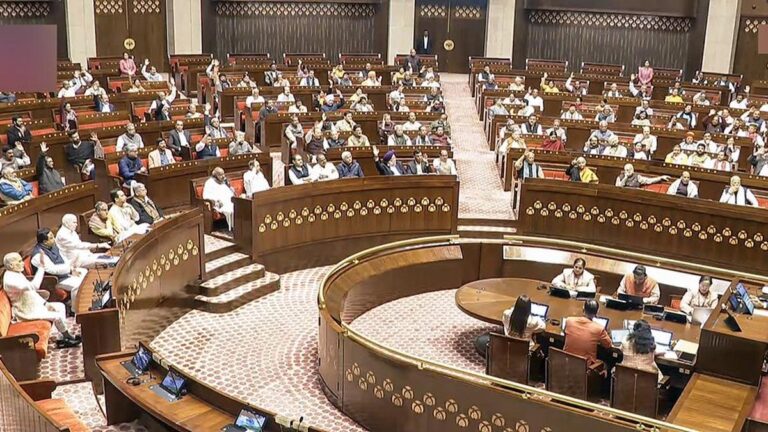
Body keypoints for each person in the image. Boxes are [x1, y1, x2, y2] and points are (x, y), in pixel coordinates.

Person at [2, 252, 81, 348]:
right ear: (11, 265)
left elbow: (31, 293)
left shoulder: (15, 273)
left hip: (33, 305)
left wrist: (45, 303)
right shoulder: (10, 279)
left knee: (60, 306)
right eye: (19, 261)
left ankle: (62, 336)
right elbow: (33, 287)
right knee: (57, 316)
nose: (22, 263)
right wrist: (41, 267)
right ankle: (67, 337)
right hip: (25, 311)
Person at [31, 228, 87, 306]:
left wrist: (71, 268)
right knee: (79, 285)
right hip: (54, 280)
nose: (54, 239)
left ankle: (84, 300)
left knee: (84, 272)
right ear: (45, 242)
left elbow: (62, 258)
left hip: (64, 274)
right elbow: (52, 270)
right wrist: (70, 270)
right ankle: (75, 309)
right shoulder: (38, 255)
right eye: (51, 238)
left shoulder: (52, 246)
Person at [563, 300, 612, 367]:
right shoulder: (599, 328)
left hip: (566, 363)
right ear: (597, 312)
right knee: (606, 364)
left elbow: (565, 333)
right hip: (585, 368)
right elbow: (608, 345)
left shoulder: (569, 320)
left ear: (583, 309)